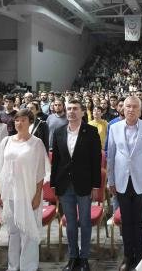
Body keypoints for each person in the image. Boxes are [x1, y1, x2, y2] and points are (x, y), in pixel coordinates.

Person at [106, 96, 142, 271]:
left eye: (135, 106)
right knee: (126, 221)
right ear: (123, 108)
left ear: (139, 109)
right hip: (121, 181)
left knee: (139, 220)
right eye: (128, 106)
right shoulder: (114, 128)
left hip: (141, 181)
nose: (131, 109)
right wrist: (111, 180)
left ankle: (141, 254)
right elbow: (111, 157)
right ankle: (128, 256)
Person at [51, 101, 102, 271]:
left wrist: (96, 186)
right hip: (64, 184)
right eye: (69, 109)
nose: (71, 112)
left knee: (85, 221)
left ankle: (85, 257)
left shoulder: (91, 131)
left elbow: (96, 161)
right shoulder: (58, 132)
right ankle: (73, 257)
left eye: (75, 109)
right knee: (70, 223)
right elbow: (56, 161)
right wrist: (53, 184)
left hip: (84, 183)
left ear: (82, 112)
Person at [0, 108, 47, 271]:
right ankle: (13, 266)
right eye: (17, 120)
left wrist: (38, 195)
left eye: (23, 119)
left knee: (28, 233)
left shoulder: (36, 143)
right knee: (13, 232)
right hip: (9, 192)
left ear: (30, 122)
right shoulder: (6, 142)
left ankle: (28, 267)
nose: (19, 123)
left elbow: (40, 172)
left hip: (28, 192)